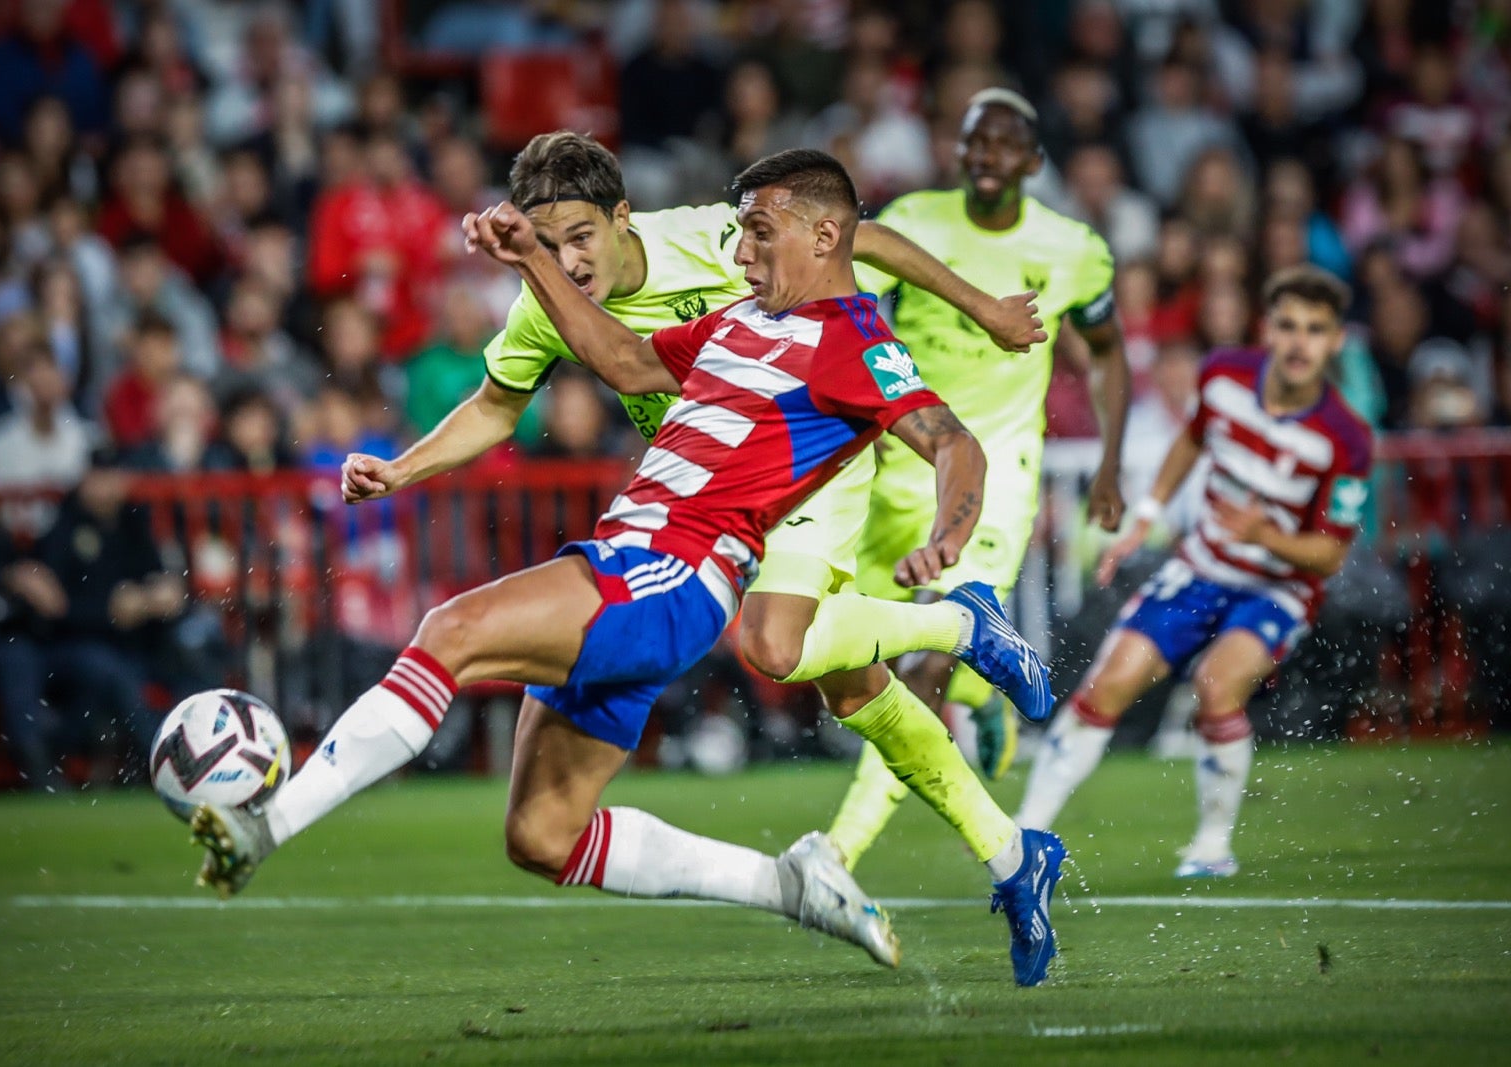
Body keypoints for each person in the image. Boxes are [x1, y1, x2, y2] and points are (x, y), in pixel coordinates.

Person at [190, 150, 1065, 986]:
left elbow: (951, 439)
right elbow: (621, 359)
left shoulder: (851, 341)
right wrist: (533, 261)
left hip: (677, 566)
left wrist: (952, 528)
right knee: (542, 835)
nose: (744, 250)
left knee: (454, 631)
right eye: (746, 233)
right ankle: (796, 884)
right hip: (634, 559)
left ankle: (269, 828)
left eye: (760, 235)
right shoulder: (735, 321)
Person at [826, 88, 1130, 866]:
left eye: (1005, 144)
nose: (987, 156)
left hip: (992, 472)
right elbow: (855, 322)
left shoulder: (1073, 247)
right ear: (957, 151)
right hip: (897, 461)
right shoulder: (915, 224)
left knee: (923, 666)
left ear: (1032, 160)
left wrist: (1109, 461)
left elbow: (1108, 354)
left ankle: (835, 855)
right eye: (974, 141)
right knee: (857, 667)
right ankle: (977, 694)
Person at [1014, 265, 1374, 878]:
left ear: (1335, 341)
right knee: (1106, 685)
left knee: (1216, 685)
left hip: (1274, 591)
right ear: (1266, 328)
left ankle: (1211, 847)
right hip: (1198, 567)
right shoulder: (1224, 375)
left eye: (1314, 330)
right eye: (1287, 325)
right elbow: (1192, 440)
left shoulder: (1345, 438)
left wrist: (1262, 535)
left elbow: (1331, 554)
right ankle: (1021, 838)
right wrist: (1145, 516)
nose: (1297, 342)